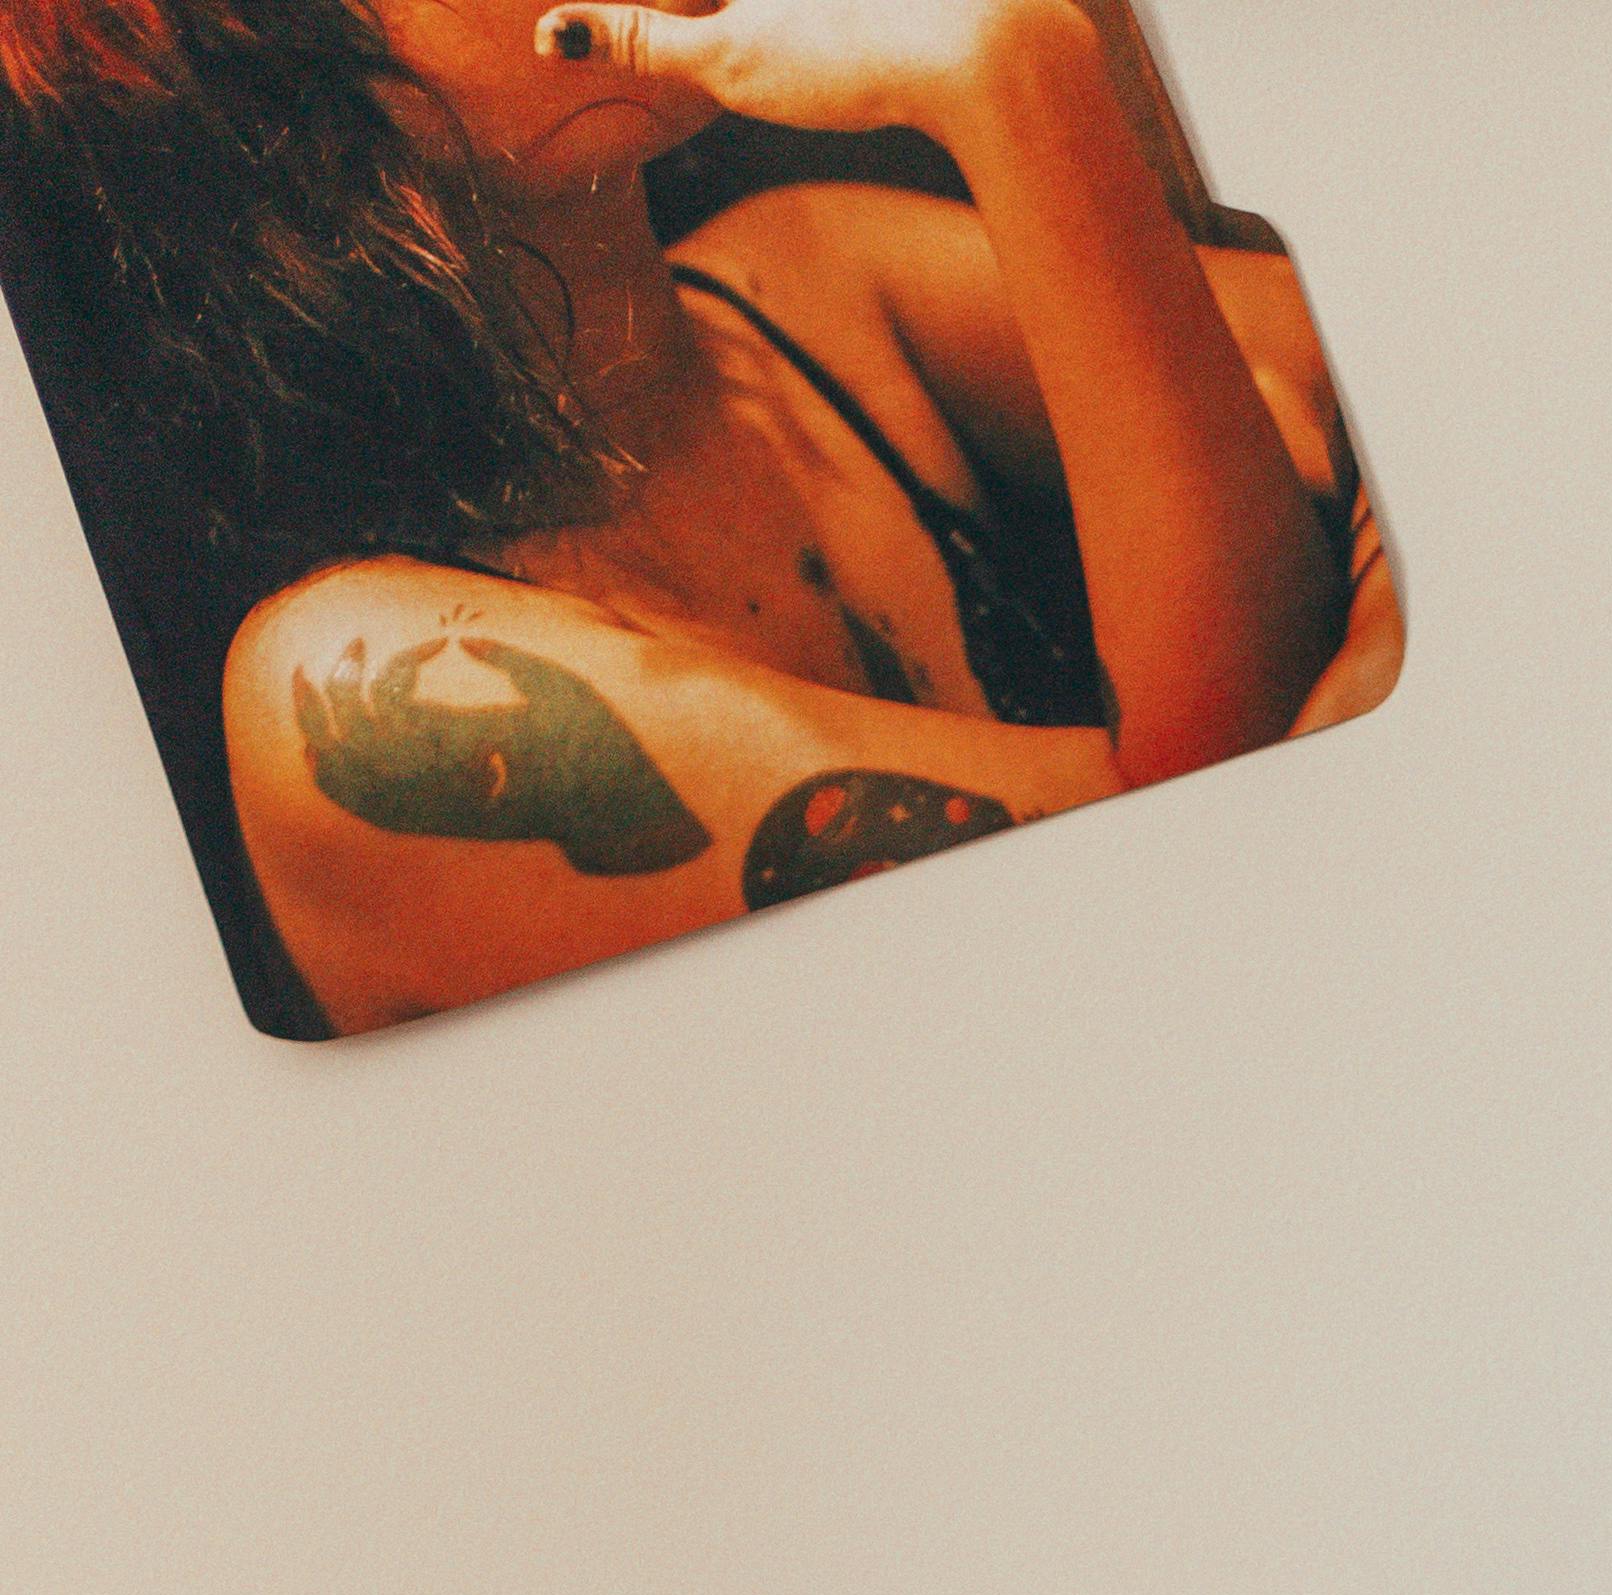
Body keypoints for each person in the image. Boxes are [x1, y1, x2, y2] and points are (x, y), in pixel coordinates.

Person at [0, 0, 1392, 1027]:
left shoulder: (805, 281)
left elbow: (1426, 385)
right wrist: (1019, 82)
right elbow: (1243, 868)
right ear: (260, 76)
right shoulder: (355, 697)